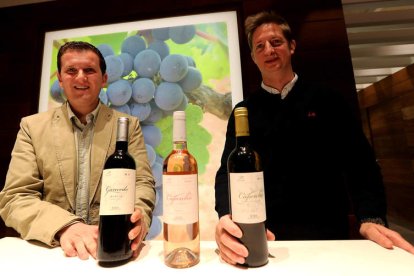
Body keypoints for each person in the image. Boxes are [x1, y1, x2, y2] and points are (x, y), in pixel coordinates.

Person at [214, 10, 414, 266]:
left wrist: (371, 218)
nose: (269, 50)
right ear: (253, 57)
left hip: (328, 236)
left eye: (276, 42)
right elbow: (225, 174)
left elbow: (361, 163)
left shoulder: (328, 100)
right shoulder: (244, 112)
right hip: (266, 240)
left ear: (292, 46)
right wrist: (225, 216)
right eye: (259, 46)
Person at [0, 41, 156, 260]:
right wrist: (66, 226)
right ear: (61, 80)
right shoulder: (31, 127)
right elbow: (15, 198)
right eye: (71, 71)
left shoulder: (128, 126)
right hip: (53, 251)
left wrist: (139, 219)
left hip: (112, 250)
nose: (81, 77)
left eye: (90, 70)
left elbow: (142, 184)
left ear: (104, 80)